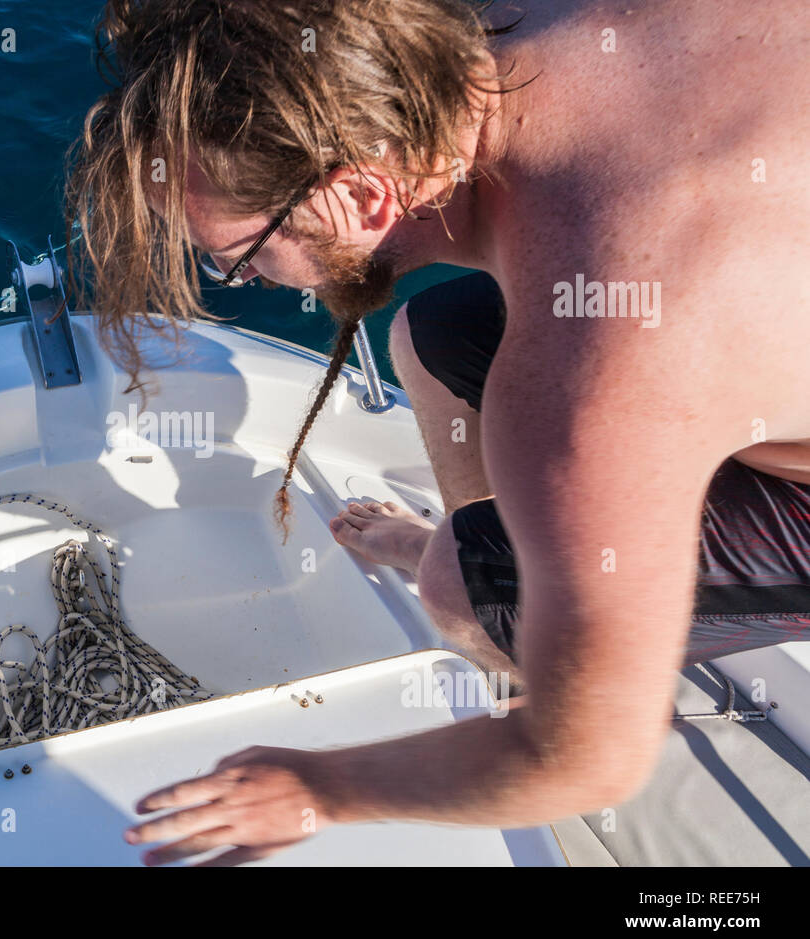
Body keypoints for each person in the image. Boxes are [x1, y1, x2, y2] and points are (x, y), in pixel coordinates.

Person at [63, 0, 810, 866]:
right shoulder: (516, 25)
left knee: (456, 583)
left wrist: (315, 790)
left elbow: (591, 761)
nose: (245, 280)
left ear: (365, 193)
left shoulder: (592, 377)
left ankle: (513, 634)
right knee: (426, 341)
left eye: (241, 255)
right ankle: (524, 597)